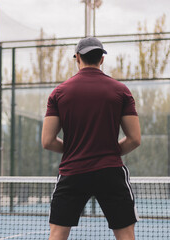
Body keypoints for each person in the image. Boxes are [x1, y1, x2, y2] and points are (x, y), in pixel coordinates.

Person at [42, 37, 141, 240]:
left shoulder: (59, 93)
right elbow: (134, 139)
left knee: (57, 234)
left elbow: (48, 141)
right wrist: (107, 150)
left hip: (73, 171)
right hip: (110, 172)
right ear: (102, 59)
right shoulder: (121, 91)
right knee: (126, 235)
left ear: (77, 58)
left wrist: (75, 149)